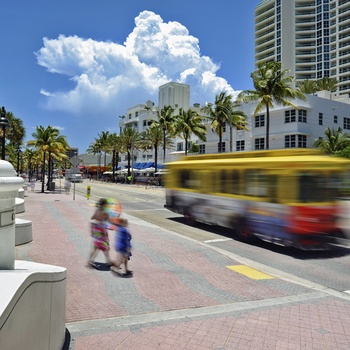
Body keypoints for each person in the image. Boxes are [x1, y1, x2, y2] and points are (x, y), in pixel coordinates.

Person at [87, 198, 113, 267]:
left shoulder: (97, 210)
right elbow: (109, 221)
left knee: (96, 246)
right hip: (102, 231)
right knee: (105, 246)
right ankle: (108, 261)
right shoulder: (105, 212)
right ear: (104, 204)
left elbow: (92, 218)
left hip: (96, 230)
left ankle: (90, 260)